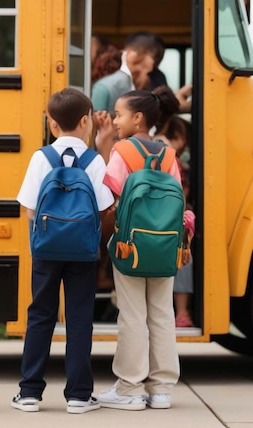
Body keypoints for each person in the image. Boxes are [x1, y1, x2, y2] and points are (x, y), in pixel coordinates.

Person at [13, 88, 114, 414]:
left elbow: (29, 209)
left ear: (51, 123)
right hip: (82, 252)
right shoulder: (94, 160)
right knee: (79, 319)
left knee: (41, 316)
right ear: (86, 121)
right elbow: (103, 208)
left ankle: (29, 393)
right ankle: (79, 396)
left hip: (45, 250)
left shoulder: (40, 158)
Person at [96, 86, 193, 411]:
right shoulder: (168, 154)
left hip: (130, 246)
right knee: (162, 315)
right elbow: (178, 199)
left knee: (133, 316)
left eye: (119, 114)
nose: (115, 119)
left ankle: (131, 388)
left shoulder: (122, 151)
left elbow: (110, 198)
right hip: (165, 246)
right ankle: (162, 389)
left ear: (138, 118)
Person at [155, 115, 195, 327]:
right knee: (184, 257)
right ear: (179, 136)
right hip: (169, 221)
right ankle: (181, 312)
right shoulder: (172, 157)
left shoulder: (150, 147)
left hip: (150, 219)